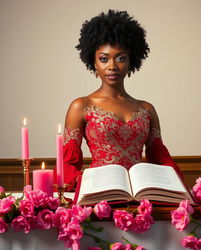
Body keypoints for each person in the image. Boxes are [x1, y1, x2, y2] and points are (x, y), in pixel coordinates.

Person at [62, 10, 183, 191]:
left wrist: (180, 187)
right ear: (93, 63)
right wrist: (88, 185)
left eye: (120, 58)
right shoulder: (81, 106)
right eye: (104, 59)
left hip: (140, 193)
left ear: (130, 61)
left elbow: (160, 159)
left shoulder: (147, 109)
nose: (112, 66)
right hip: (100, 195)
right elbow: (68, 165)